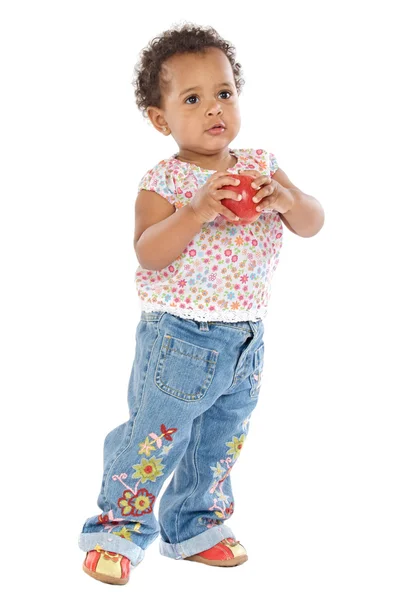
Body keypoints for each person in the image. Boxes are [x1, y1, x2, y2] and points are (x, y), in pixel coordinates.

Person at [78, 23, 325, 585]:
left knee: (220, 440)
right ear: (161, 119)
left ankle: (195, 525)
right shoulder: (164, 180)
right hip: (179, 339)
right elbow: (149, 254)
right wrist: (192, 213)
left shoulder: (261, 167)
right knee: (154, 436)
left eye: (224, 92)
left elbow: (312, 223)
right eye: (193, 99)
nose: (215, 108)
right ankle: (117, 528)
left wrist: (287, 199)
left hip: (245, 340)